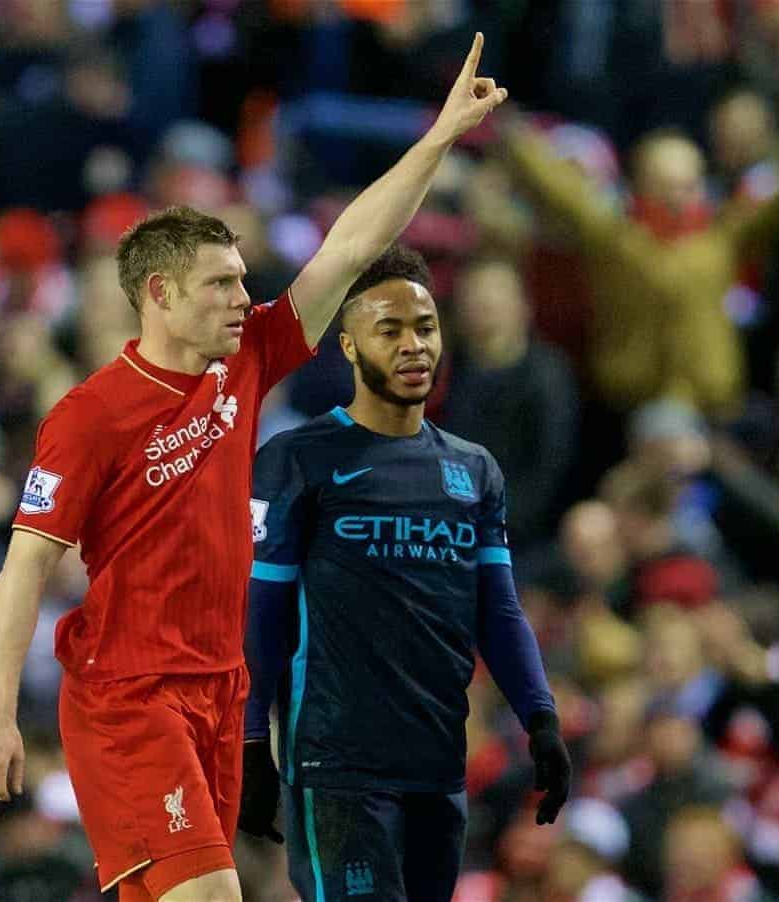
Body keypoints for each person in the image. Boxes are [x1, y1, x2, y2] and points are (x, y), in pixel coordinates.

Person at [0, 33, 507, 902]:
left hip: (221, 689)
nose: (244, 298)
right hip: (130, 697)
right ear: (161, 295)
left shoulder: (244, 358)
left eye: (244, 278)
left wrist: (437, 140)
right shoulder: (90, 415)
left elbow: (349, 248)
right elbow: (26, 563)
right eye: (221, 283)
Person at [240, 244, 571, 901]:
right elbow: (263, 615)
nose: (413, 345)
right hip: (336, 768)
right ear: (350, 347)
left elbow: (498, 613)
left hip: (438, 767)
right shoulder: (297, 459)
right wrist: (251, 740)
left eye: (425, 327)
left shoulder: (474, 470)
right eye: (389, 330)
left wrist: (541, 717)